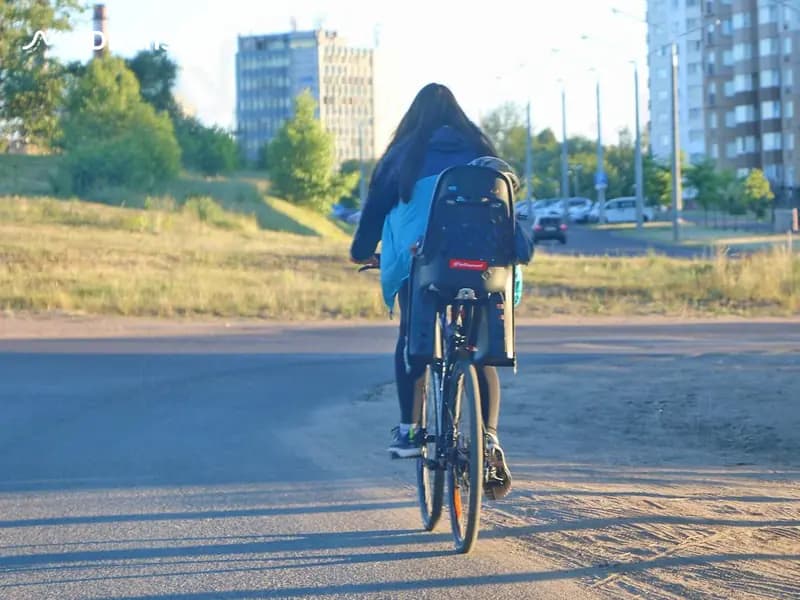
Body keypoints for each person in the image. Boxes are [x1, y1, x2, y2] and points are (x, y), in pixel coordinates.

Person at [350, 83, 529, 497]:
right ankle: (488, 438)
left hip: (426, 264)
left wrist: (363, 252)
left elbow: (373, 215)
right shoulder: (481, 151)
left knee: (411, 337)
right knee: (478, 348)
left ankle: (411, 430)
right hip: (486, 266)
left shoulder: (402, 155)